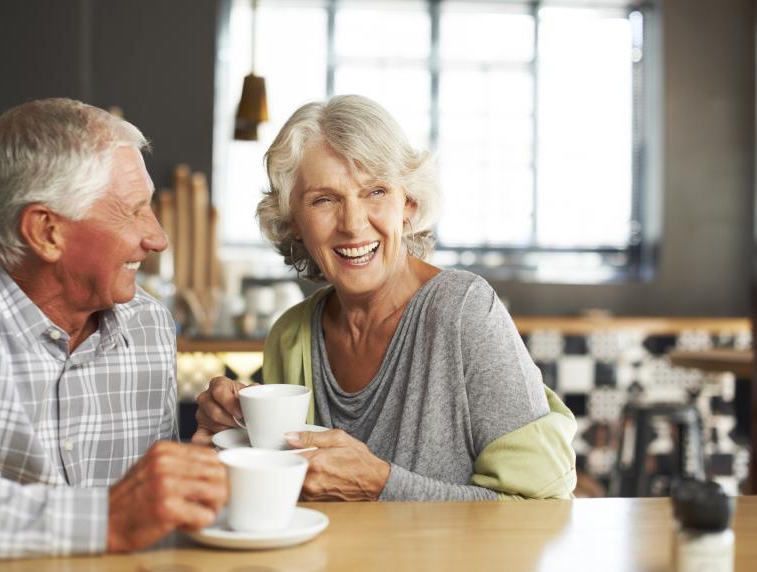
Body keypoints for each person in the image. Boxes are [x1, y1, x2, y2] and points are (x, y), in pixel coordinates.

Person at [194, 95, 576, 502]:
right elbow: (284, 495)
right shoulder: (291, 335)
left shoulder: (464, 312)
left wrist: (380, 484)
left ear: (408, 204)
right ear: (294, 223)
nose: (354, 224)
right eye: (324, 199)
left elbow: (543, 512)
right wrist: (231, 433)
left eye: (375, 191)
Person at [0, 98, 227, 562]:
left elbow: (150, 513)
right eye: (133, 211)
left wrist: (201, 461)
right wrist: (105, 519)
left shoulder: (149, 323)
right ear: (46, 232)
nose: (158, 238)